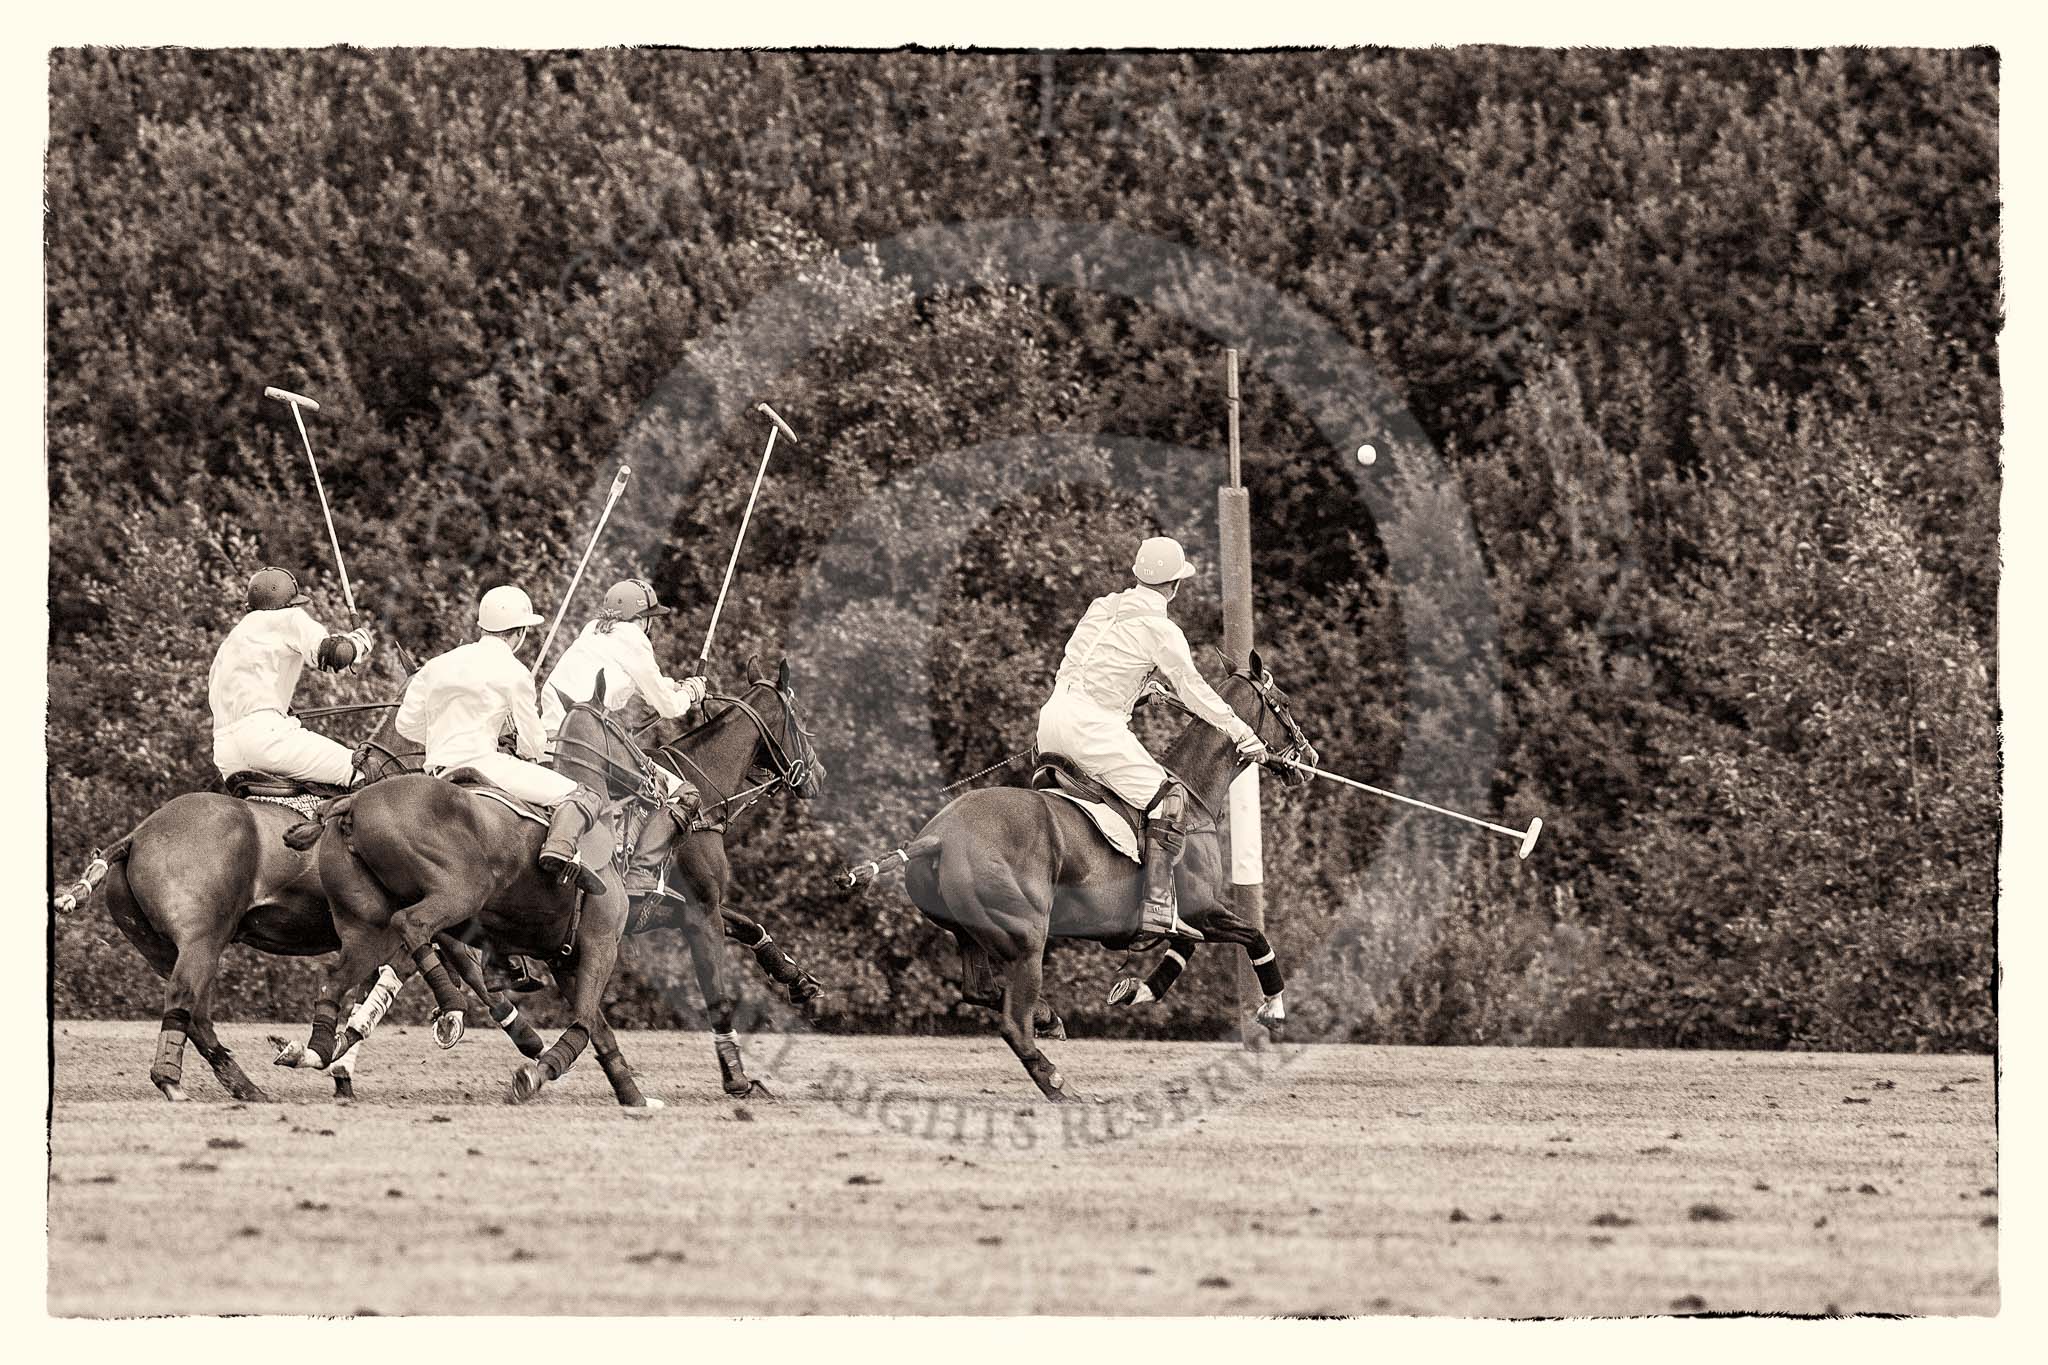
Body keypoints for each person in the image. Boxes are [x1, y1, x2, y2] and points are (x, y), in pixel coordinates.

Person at [1035, 536, 1267, 938]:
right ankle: (1158, 907)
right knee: (1170, 800)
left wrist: (1141, 689)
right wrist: (1241, 732)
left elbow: (1090, 670)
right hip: (1093, 731)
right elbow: (1194, 691)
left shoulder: (1101, 606)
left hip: (1051, 721)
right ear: (1175, 585)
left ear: (1138, 574)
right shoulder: (1163, 630)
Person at [394, 584, 609, 896]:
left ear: (482, 627)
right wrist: (521, 745)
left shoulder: (436, 664)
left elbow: (406, 726)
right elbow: (533, 744)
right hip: (485, 766)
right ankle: (559, 852)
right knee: (582, 795)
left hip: (437, 772)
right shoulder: (514, 671)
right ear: (519, 632)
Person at [538, 577, 707, 905]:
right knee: (682, 794)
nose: (650, 625)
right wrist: (691, 692)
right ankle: (639, 873)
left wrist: (671, 684)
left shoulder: (594, 629)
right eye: (650, 618)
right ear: (641, 618)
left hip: (550, 736)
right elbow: (668, 707)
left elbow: (642, 681)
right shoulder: (636, 641)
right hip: (588, 740)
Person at [208, 567, 374, 786]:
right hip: (265, 738)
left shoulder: (231, 641)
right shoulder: (289, 617)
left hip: (226, 751)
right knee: (363, 772)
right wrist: (358, 643)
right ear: (290, 603)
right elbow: (333, 654)